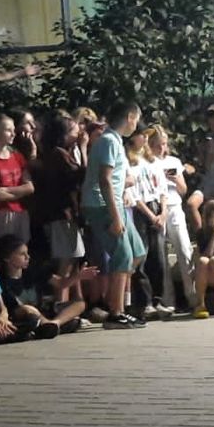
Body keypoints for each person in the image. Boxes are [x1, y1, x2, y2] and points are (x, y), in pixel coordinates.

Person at [81, 102, 148, 330]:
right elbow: (105, 179)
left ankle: (115, 302)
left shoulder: (115, 141)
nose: (136, 125)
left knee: (137, 252)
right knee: (123, 256)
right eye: (136, 119)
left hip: (117, 204)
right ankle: (116, 313)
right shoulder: (109, 141)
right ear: (129, 117)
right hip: (102, 205)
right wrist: (116, 217)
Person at [35, 110, 89, 313]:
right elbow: (81, 174)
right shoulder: (59, 154)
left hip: (66, 213)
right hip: (62, 214)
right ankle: (60, 303)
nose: (78, 134)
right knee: (66, 260)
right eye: (74, 131)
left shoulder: (58, 153)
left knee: (72, 259)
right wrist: (83, 148)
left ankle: (68, 303)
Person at [0, 234, 90, 339]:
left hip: (42, 312)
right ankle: (49, 326)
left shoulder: (33, 270)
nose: (27, 257)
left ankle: (55, 323)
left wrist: (77, 276)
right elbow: (16, 308)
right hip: (21, 316)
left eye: (27, 253)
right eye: (22, 254)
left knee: (79, 304)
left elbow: (61, 283)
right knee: (27, 309)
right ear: (7, 258)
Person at [146, 126, 195, 313]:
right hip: (157, 209)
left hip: (174, 207)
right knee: (162, 255)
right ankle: (168, 300)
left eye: (164, 144)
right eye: (157, 145)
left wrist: (173, 177)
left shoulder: (173, 161)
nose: (162, 148)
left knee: (184, 248)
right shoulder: (147, 162)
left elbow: (183, 190)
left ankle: (192, 295)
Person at [125, 127, 171, 320]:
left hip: (157, 206)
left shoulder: (152, 161)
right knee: (141, 255)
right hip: (141, 209)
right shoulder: (129, 161)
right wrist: (151, 216)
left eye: (146, 135)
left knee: (158, 257)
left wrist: (163, 212)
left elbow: (162, 188)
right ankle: (144, 302)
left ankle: (158, 299)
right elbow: (134, 194)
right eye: (141, 135)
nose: (144, 138)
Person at [0, 112, 35, 244]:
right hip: (1, 213)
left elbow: (30, 187)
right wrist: (18, 192)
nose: (13, 134)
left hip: (21, 212)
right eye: (8, 130)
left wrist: (5, 190)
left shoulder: (17, 156)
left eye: (13, 130)